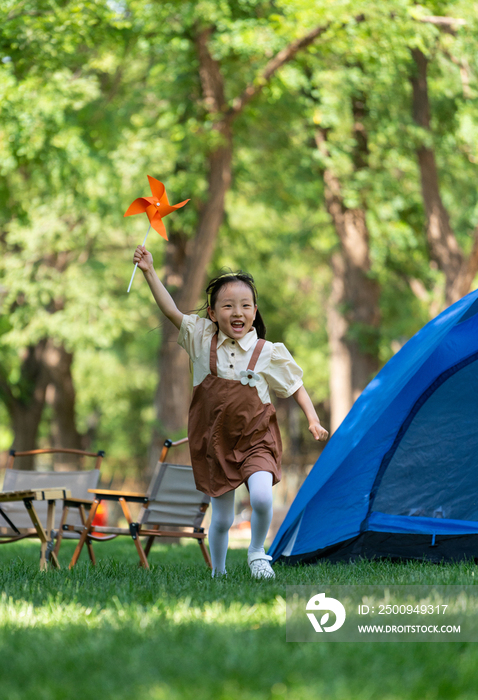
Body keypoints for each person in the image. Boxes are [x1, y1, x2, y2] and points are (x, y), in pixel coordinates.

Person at [133, 245, 329, 579]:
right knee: (222, 519)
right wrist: (150, 271)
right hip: (216, 441)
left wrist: (312, 418)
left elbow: (294, 385)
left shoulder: (268, 352)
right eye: (228, 305)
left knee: (263, 498)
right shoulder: (199, 338)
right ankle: (219, 574)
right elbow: (171, 312)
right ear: (212, 312)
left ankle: (257, 552)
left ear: (254, 311)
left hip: (256, 438)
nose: (237, 311)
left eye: (245, 305)